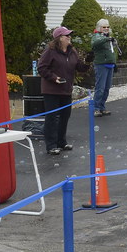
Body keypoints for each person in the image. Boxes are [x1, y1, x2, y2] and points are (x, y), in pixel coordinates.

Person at [37, 26, 89, 156]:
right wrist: (54, 78)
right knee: (52, 118)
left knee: (65, 117)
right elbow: (42, 68)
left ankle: (61, 142)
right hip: (51, 90)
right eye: (67, 35)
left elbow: (80, 68)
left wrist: (88, 61)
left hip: (66, 90)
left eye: (69, 35)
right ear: (59, 38)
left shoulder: (72, 51)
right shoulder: (50, 51)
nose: (69, 37)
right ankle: (51, 146)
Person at [90, 18, 119, 117]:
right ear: (99, 28)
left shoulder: (107, 37)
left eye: (107, 27)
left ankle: (102, 107)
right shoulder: (97, 36)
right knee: (100, 88)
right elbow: (95, 43)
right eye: (104, 27)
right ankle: (96, 108)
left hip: (109, 65)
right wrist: (107, 39)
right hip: (101, 65)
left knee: (107, 88)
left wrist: (114, 63)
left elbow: (111, 52)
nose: (106, 28)